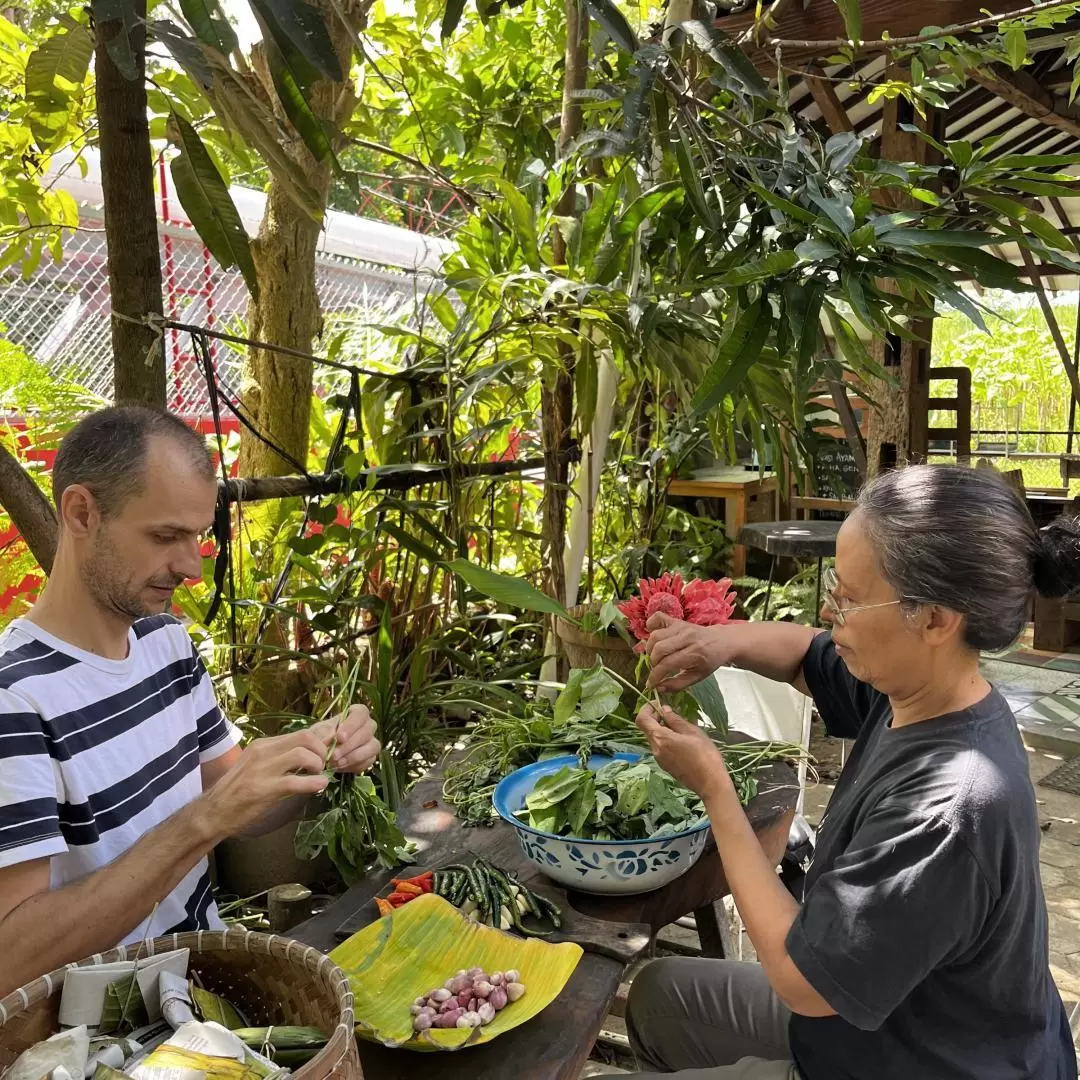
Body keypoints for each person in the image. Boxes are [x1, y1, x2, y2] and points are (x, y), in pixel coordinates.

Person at [626, 464, 1080, 1080]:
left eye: (849, 596)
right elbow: (802, 656)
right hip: (883, 1021)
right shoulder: (915, 689)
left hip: (928, 1061)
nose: (828, 608)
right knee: (657, 998)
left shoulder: (948, 810)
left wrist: (714, 788)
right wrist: (719, 642)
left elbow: (800, 983)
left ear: (936, 619)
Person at [0, 406, 380, 998]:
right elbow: (12, 960)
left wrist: (319, 758)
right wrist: (202, 823)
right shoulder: (14, 699)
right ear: (81, 513)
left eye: (196, 536)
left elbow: (235, 801)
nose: (191, 566)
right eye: (165, 536)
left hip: (205, 987)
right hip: (97, 1039)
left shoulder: (165, 644)